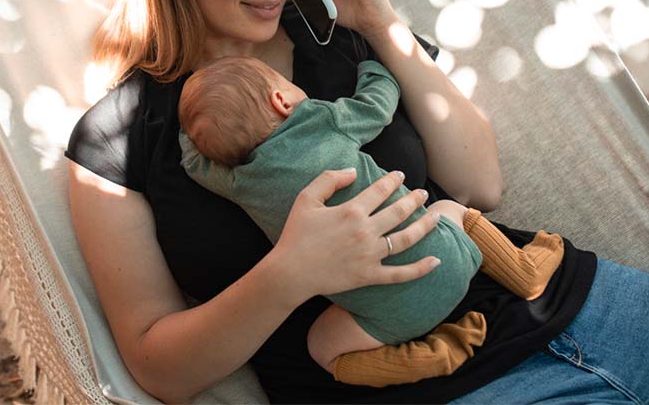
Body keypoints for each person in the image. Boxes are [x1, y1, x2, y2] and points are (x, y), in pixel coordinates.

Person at [65, 0, 649, 403]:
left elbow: (480, 186)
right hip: (419, 384)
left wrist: (383, 25)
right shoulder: (119, 138)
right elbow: (159, 370)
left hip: (575, 304)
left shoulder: (340, 43)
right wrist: (291, 272)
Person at [177, 54, 565, 386]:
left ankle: (433, 357)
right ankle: (525, 271)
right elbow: (377, 105)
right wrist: (373, 70)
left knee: (323, 348)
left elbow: (192, 162)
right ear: (281, 99)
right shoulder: (319, 121)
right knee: (449, 210)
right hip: (448, 261)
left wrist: (195, 129)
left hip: (388, 319)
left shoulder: (238, 181)